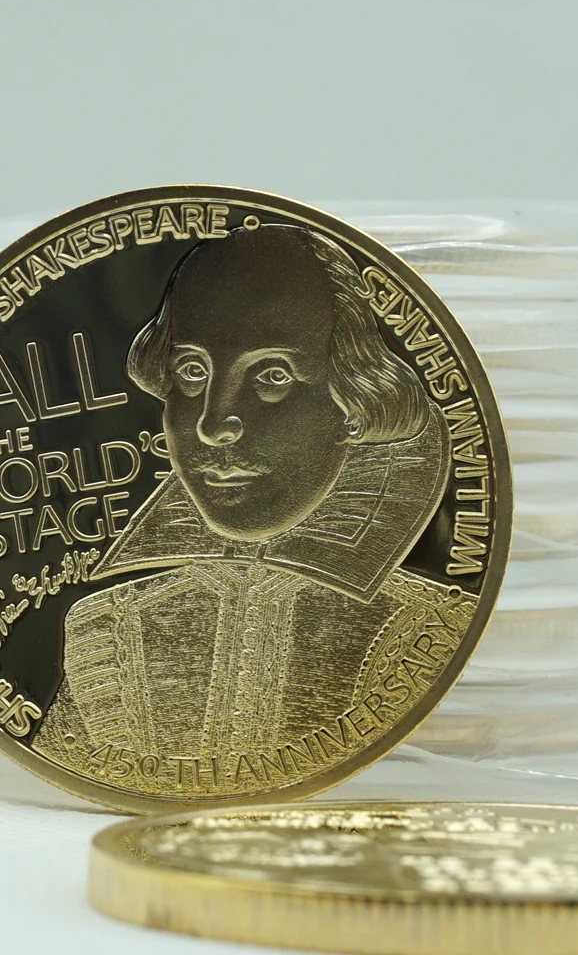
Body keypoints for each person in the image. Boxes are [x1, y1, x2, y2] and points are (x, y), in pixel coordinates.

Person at [32, 224, 476, 785]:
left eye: (272, 376)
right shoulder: (104, 627)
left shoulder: (429, 629)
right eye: (192, 372)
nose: (213, 424)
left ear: (353, 402)